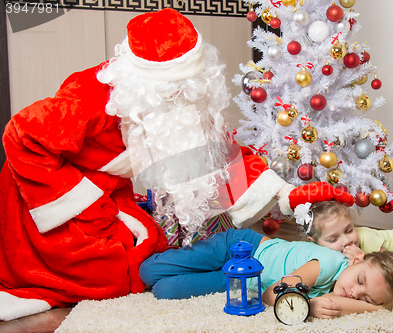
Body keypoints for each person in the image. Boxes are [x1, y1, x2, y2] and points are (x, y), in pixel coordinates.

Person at [0, 8, 324, 321]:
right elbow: (22, 136)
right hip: (45, 194)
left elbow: (221, 153)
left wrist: (286, 193)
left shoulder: (187, 109)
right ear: (148, 85)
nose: (184, 99)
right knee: (112, 277)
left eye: (192, 87)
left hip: (111, 194)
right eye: (174, 90)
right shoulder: (91, 98)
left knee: (149, 251)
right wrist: (88, 208)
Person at [139, 227, 393, 319]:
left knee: (164, 290)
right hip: (240, 248)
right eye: (360, 281)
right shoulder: (328, 264)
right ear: (356, 259)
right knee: (148, 271)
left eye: (365, 298)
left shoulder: (348, 285)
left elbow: (343, 299)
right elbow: (272, 295)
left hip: (244, 281)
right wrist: (307, 304)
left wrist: (385, 306)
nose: (354, 293)